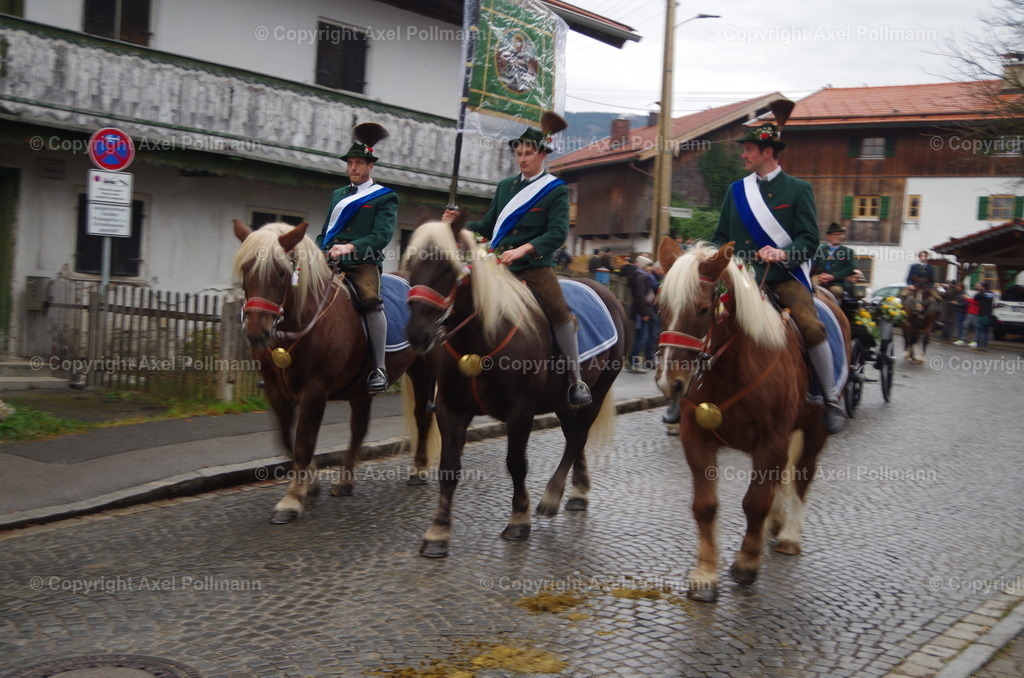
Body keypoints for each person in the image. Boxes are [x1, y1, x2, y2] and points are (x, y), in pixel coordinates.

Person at [443, 115, 592, 407]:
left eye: (528, 153)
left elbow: (557, 233)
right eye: (518, 153)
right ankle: (451, 380)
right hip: (496, 264)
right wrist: (458, 225)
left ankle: (576, 380)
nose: (522, 158)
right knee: (456, 301)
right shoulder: (505, 186)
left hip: (534, 268)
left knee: (559, 313)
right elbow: (487, 226)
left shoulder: (556, 190)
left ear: (542, 154)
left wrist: (524, 249)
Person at [711, 113, 846, 434]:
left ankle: (830, 398)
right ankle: (682, 395)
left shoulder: (798, 190)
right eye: (744, 149)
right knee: (700, 320)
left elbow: (810, 241)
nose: (743, 155)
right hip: (740, 277)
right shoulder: (736, 191)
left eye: (748, 149)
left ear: (768, 151)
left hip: (783, 277)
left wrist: (784, 253)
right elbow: (720, 237)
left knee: (812, 327)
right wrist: (711, 259)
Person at [315, 122, 397, 394]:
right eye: (350, 163)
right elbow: (325, 232)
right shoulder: (337, 195)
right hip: (330, 261)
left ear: (370, 166)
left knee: (371, 301)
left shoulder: (385, 197)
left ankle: (379, 368)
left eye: (359, 163)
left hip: (364, 263)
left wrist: (350, 247)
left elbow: (381, 236)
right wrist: (314, 252)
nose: (353, 168)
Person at [621, 255, 656, 373]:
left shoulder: (641, 276)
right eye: (648, 266)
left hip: (640, 311)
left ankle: (633, 361)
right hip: (640, 313)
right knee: (642, 338)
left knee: (641, 337)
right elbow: (640, 297)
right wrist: (645, 313)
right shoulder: (641, 277)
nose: (650, 268)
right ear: (644, 266)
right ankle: (633, 362)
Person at [814, 222, 857, 300]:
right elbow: (813, 264)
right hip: (819, 277)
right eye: (835, 234)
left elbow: (851, 267)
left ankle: (834, 311)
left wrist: (833, 276)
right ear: (829, 237)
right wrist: (819, 276)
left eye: (840, 235)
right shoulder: (820, 249)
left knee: (836, 291)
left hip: (837, 282)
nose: (838, 237)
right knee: (811, 286)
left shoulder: (847, 251)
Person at [973, 282, 996, 349]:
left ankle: (979, 344)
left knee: (980, 329)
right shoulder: (991, 293)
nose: (979, 287)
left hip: (982, 313)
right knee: (986, 329)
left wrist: (978, 290)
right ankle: (985, 344)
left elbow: (975, 298)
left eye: (980, 286)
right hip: (989, 314)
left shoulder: (982, 293)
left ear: (983, 287)